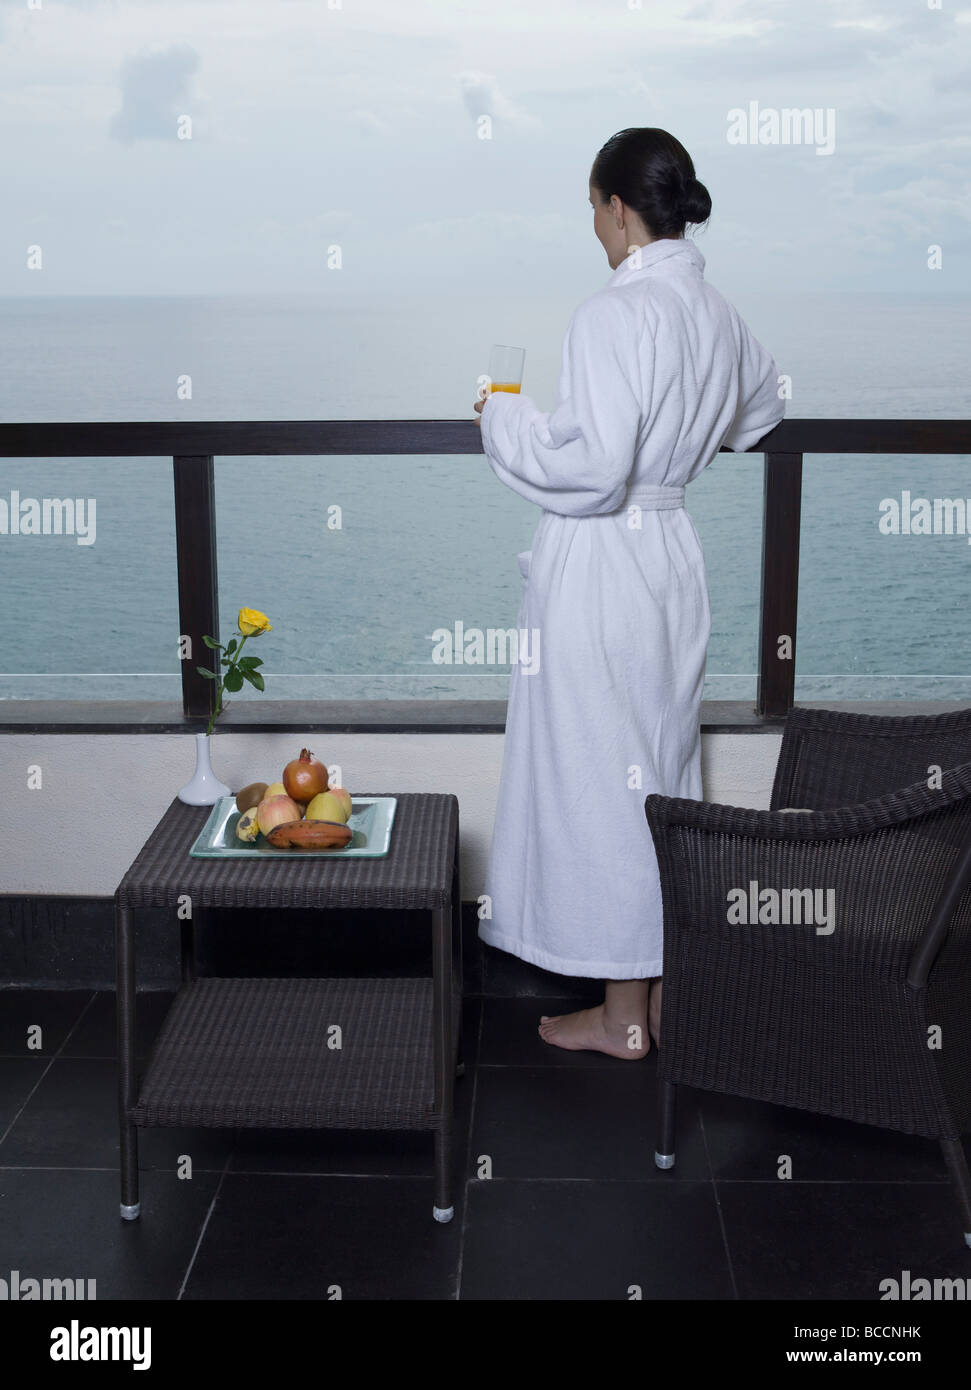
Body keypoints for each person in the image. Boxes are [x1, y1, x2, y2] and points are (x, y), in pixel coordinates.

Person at [473, 127, 785, 1060]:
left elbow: (598, 470)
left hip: (604, 563)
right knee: (656, 770)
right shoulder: (715, 312)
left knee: (603, 786)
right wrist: (684, 435)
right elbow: (762, 410)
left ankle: (621, 1019)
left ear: (616, 207)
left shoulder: (612, 315)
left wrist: (502, 414)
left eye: (593, 210)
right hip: (669, 558)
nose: (594, 231)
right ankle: (652, 999)